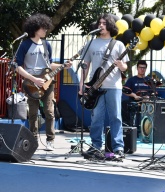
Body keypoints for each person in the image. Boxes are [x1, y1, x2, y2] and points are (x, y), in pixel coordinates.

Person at [16, 13, 72, 151]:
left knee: (49, 111)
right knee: (33, 113)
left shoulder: (47, 45)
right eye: (43, 27)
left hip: (48, 82)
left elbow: (49, 65)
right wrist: (33, 79)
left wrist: (62, 65)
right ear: (35, 28)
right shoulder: (25, 44)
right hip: (31, 83)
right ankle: (33, 139)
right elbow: (17, 67)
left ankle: (50, 140)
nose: (45, 30)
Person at [79, 13, 129, 160]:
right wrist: (82, 84)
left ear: (110, 26)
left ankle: (118, 148)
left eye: (104, 23)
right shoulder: (91, 43)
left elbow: (125, 67)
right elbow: (85, 65)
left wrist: (121, 65)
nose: (101, 25)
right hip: (95, 87)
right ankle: (96, 146)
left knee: (116, 117)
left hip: (114, 86)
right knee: (96, 118)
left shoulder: (118, 44)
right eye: (99, 23)